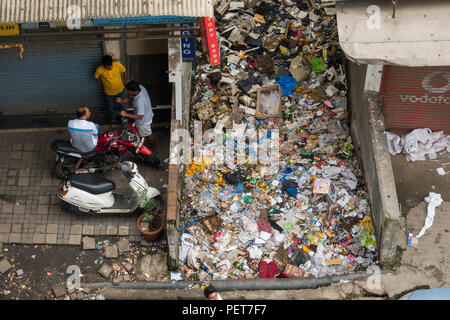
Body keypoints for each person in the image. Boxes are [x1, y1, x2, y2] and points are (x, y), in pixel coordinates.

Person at [117, 80, 154, 147]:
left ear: (134, 91)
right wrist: (122, 101)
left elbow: (140, 116)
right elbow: (131, 97)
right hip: (148, 113)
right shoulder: (140, 87)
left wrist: (126, 114)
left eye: (128, 91)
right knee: (145, 132)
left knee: (148, 134)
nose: (127, 92)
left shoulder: (140, 101)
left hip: (143, 121)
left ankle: (153, 148)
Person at [94, 54, 128, 123]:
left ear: (112, 63)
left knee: (122, 105)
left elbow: (124, 71)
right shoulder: (99, 69)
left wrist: (126, 81)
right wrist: (102, 83)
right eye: (107, 67)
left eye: (110, 65)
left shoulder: (117, 64)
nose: (109, 67)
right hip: (109, 93)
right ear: (103, 65)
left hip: (120, 90)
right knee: (110, 106)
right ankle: (113, 117)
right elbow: (96, 77)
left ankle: (124, 118)